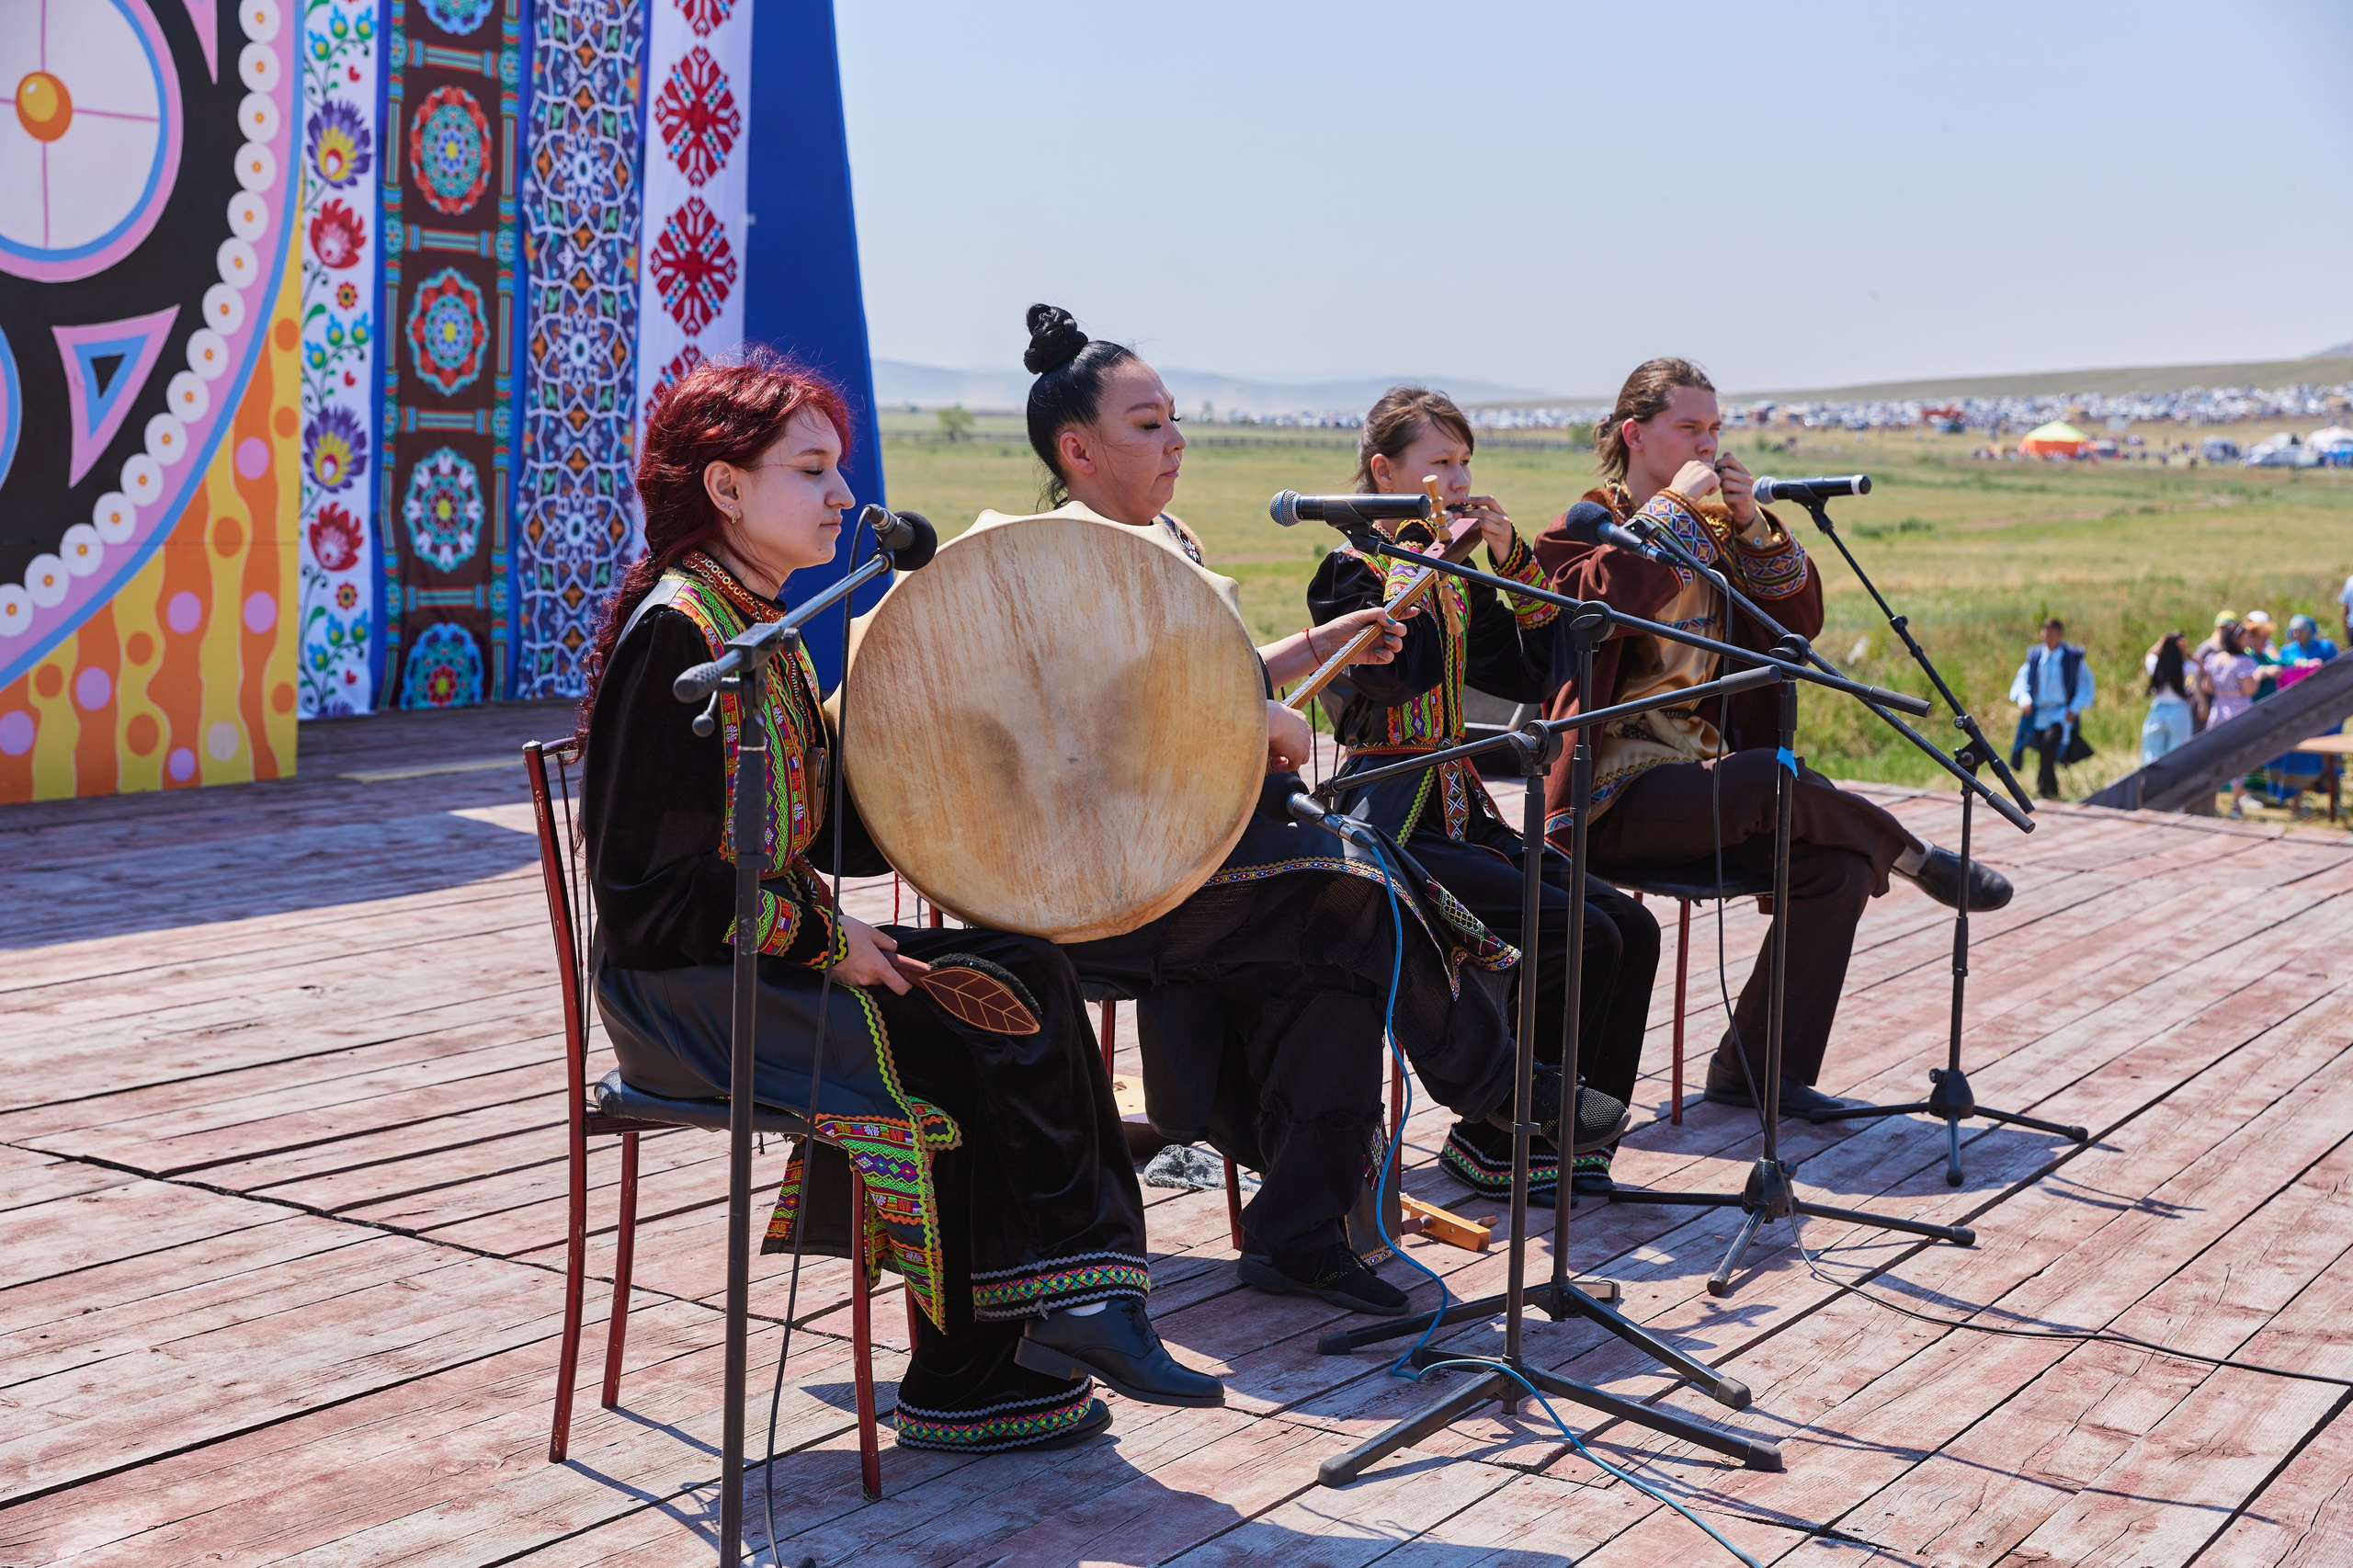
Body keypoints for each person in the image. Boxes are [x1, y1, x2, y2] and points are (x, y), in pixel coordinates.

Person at [578, 352, 1222, 1457]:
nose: (844, 496)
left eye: (841, 469)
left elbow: (827, 829)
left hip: (757, 962)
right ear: (725, 488)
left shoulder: (761, 625)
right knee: (967, 1032)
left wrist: (976, 736)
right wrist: (832, 940)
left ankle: (1024, 1343)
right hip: (683, 989)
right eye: (812, 470)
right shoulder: (683, 640)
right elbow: (650, 895)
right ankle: (1020, 1338)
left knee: (1024, 965)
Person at [1007, 306, 1618, 1316]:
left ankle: (1298, 1236)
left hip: (1209, 843)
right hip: (1119, 864)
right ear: (1078, 449)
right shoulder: (1067, 557)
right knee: (1360, 878)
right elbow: (1104, 736)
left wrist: (1313, 647)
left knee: (1343, 955)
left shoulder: (1162, 537)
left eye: (1173, 419)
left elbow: (1221, 672)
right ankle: (1499, 1087)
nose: (1176, 440)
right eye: (1148, 423)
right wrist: (1260, 726)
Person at [1533, 358, 2011, 1120]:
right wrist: (1671, 519)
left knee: (1836, 865)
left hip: (1708, 784)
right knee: (1770, 777)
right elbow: (1593, 614)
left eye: (1716, 428)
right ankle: (1916, 856)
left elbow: (1799, 624)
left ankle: (1758, 1070)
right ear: (1636, 434)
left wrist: (1753, 525)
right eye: (1689, 428)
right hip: (1610, 796)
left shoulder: (1719, 532)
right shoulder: (1580, 530)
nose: (1708, 444)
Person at [1307, 385, 1657, 1199]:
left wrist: (1514, 563)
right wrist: (1419, 563)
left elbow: (1535, 672)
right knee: (1572, 929)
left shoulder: (1458, 576)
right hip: (1390, 812)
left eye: (1465, 462)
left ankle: (1578, 1140)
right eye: (1440, 463)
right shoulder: (1350, 572)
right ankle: (1497, 1135)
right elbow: (1395, 679)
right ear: (1384, 471)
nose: (1460, 480)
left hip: (1460, 804)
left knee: (1628, 927)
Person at [2007, 619, 2096, 800]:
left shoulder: (2072, 658)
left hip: (2060, 712)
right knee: (2043, 749)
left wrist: (2075, 707)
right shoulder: (2036, 656)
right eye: (2045, 635)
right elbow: (2023, 680)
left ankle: (2042, 788)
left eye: (2052, 635)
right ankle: (2051, 790)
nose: (2048, 639)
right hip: (2039, 712)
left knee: (2049, 744)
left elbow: (2085, 685)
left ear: (2060, 635)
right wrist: (2024, 699)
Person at [2141, 631, 2198, 765]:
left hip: (2158, 708)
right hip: (2179, 710)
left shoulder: (2155, 666)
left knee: (2152, 753)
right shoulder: (2185, 668)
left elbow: (2149, 654)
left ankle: (2153, 781)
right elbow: (2201, 666)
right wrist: (2186, 653)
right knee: (2178, 752)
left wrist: (2162, 643)